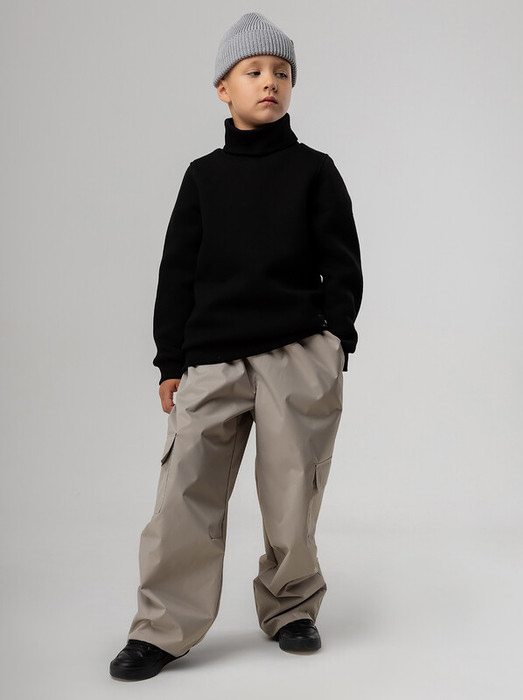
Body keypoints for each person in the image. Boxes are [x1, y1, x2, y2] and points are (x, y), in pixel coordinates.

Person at [109, 11, 363, 681]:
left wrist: (335, 341)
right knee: (183, 491)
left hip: (296, 355)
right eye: (253, 71)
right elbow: (177, 273)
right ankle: (161, 629)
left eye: (281, 72)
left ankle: (291, 608)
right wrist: (170, 361)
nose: (269, 82)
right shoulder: (202, 177)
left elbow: (342, 262)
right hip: (211, 356)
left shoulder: (314, 171)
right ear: (224, 89)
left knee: (292, 490)